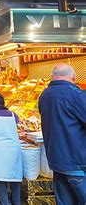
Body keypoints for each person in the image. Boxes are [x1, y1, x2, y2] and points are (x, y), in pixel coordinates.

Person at [39, 64, 86, 205]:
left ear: (52, 76)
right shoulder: (75, 95)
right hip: (76, 161)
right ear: (74, 78)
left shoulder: (44, 95)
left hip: (56, 160)